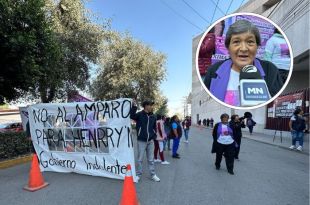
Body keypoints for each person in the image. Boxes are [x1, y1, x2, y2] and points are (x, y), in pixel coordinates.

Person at [204, 19, 283, 107]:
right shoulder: (213, 71)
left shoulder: (270, 70)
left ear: (257, 46)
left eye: (250, 42)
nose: (244, 49)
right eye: (236, 42)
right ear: (228, 47)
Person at [130, 100, 160, 182]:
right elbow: (132, 116)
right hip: (141, 141)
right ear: (146, 106)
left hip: (150, 141)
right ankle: (138, 175)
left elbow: (154, 128)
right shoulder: (140, 114)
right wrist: (134, 106)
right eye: (150, 105)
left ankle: (153, 175)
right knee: (140, 159)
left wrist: (153, 136)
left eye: (151, 105)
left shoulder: (153, 116)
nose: (151, 107)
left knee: (151, 159)